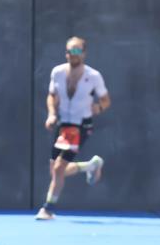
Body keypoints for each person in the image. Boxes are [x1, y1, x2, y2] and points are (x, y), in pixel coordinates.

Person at [36, 36, 111, 220]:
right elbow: (52, 96)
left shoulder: (93, 76)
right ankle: (90, 166)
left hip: (81, 125)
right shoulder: (58, 72)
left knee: (59, 168)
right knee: (55, 170)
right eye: (70, 50)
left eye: (77, 50)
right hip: (63, 124)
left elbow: (105, 100)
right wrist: (51, 114)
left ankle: (47, 209)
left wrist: (99, 108)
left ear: (84, 53)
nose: (73, 54)